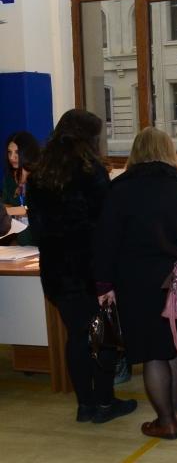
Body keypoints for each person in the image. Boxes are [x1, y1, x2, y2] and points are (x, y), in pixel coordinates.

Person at [27, 109, 136, 424]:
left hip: (57, 271)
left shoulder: (38, 175)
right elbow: (105, 226)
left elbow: (37, 228)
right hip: (91, 269)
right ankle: (105, 402)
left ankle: (85, 404)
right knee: (104, 336)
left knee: (76, 336)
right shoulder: (91, 172)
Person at [92, 127, 177, 440]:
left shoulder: (121, 189)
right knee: (174, 350)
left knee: (153, 354)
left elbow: (106, 241)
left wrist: (103, 284)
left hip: (137, 283)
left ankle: (165, 421)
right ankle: (175, 411)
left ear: (136, 151)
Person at [3, 131, 41, 245]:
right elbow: (5, 205)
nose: (12, 157)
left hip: (42, 241)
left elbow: (44, 210)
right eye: (9, 152)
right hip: (22, 242)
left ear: (28, 153)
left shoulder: (41, 178)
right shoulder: (9, 179)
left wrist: (20, 211)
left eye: (17, 152)